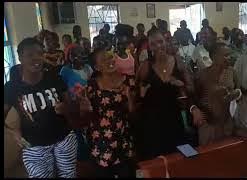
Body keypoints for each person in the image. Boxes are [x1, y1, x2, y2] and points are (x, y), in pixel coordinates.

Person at [4, 37, 77, 178]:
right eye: (30, 55)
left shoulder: (55, 78)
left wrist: (66, 107)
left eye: (39, 53)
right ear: (20, 58)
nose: (36, 58)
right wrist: (13, 132)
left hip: (64, 139)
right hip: (34, 146)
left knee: (68, 175)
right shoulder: (12, 88)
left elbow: (71, 106)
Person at [135, 30, 202, 160]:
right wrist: (142, 92)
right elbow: (137, 91)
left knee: (178, 156)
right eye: (153, 44)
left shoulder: (178, 62)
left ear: (166, 42)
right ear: (149, 47)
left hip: (174, 117)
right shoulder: (146, 66)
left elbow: (191, 89)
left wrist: (180, 85)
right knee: (156, 158)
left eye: (160, 42)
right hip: (152, 120)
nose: (158, 46)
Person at [80, 48, 137, 177]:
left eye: (110, 57)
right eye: (104, 60)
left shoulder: (128, 81)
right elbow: (85, 117)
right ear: (97, 67)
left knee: (127, 173)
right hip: (101, 142)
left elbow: (133, 113)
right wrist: (84, 107)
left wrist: (129, 97)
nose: (110, 61)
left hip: (123, 138)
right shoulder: (92, 86)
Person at [195, 43, 241, 145]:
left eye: (230, 55)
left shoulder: (232, 72)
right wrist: (205, 110)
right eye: (225, 55)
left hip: (227, 122)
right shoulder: (202, 75)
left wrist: (235, 94)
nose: (229, 58)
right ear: (213, 57)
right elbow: (195, 98)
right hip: (208, 123)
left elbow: (238, 90)